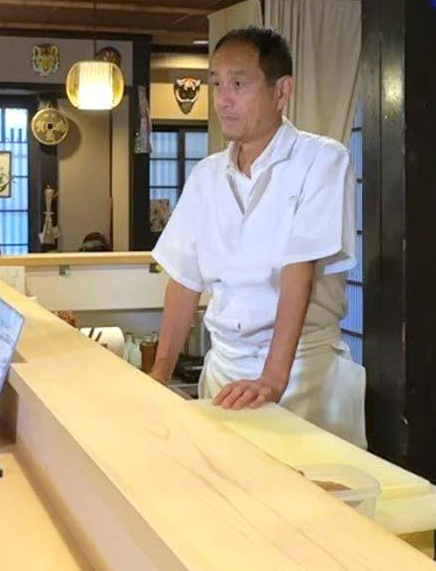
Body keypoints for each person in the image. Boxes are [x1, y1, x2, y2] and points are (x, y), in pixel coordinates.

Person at [149, 27, 366, 446]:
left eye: (238, 83)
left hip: (301, 371)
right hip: (224, 369)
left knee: (310, 503)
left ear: (281, 91)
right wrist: (159, 372)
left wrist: (272, 378)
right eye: (217, 84)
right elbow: (184, 281)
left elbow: (298, 272)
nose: (223, 98)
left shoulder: (321, 160)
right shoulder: (207, 175)